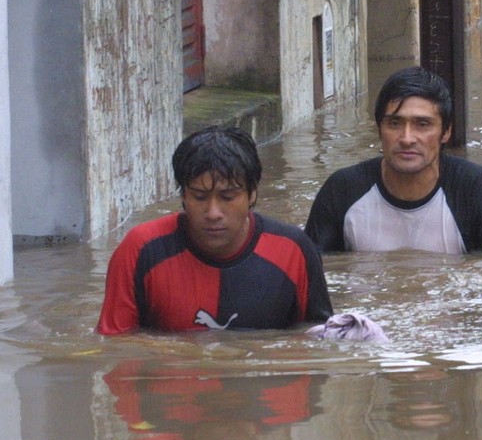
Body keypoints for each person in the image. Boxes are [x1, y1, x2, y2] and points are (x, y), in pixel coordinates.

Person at [96, 125, 332, 334]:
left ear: (252, 194)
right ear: (183, 196)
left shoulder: (294, 250)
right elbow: (116, 345)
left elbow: (319, 340)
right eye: (199, 197)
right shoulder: (141, 250)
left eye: (228, 197)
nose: (213, 213)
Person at [304, 66, 482, 255]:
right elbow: (313, 273)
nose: (407, 138)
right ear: (379, 129)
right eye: (394, 124)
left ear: (446, 132)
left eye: (423, 124)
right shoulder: (342, 190)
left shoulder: (475, 188)